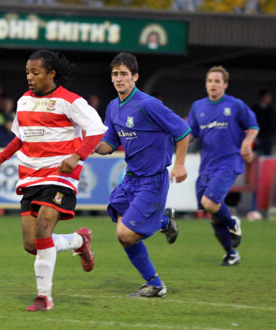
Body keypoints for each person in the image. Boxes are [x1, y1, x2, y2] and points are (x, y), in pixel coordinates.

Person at [0, 49, 107, 311]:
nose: (30, 77)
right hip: (30, 176)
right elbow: (21, 137)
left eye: (35, 72)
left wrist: (76, 157)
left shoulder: (70, 101)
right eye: (27, 72)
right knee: (33, 245)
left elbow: (97, 131)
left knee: (43, 232)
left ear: (51, 74)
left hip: (60, 175)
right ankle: (78, 241)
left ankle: (44, 297)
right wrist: (1, 157)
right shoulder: (23, 102)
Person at [95, 52, 190, 298]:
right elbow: (108, 143)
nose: (119, 78)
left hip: (152, 180)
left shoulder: (148, 104)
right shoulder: (113, 107)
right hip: (130, 179)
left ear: (135, 77)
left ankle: (156, 284)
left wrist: (179, 165)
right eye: (115, 74)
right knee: (121, 224)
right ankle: (162, 226)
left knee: (125, 234)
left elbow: (183, 132)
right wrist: (85, 145)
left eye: (124, 74)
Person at [188, 65, 259, 266]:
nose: (213, 85)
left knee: (210, 203)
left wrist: (246, 143)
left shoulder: (235, 105)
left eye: (217, 81)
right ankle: (231, 253)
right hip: (206, 166)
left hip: (229, 162)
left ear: (225, 84)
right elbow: (191, 133)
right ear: (206, 84)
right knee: (211, 212)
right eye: (210, 81)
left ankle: (233, 222)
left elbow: (253, 126)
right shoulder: (197, 107)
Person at [252, 90, 276, 155]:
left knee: (268, 153)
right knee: (258, 153)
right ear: (262, 97)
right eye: (267, 97)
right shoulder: (255, 109)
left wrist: (273, 133)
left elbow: (274, 122)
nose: (269, 99)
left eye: (269, 98)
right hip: (258, 136)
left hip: (268, 136)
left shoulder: (270, 109)